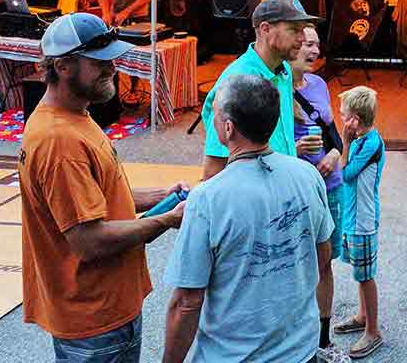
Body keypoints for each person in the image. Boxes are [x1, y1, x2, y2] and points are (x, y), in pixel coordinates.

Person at [19, 13, 186, 362]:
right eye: (100, 62)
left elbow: (96, 199)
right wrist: (166, 220)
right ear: (63, 66)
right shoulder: (59, 142)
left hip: (103, 314)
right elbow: (89, 240)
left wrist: (162, 196)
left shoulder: (74, 116)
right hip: (95, 322)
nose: (113, 67)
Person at [162, 74, 335, 363]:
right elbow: (321, 254)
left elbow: (186, 303)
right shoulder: (308, 176)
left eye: (214, 113)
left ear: (228, 128)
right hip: (301, 352)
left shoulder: (208, 199)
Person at [199, 0, 317, 180]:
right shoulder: (237, 81)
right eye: (294, 30)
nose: (302, 38)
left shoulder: (284, 68)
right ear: (265, 29)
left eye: (304, 30)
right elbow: (213, 170)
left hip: (280, 190)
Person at [290, 25, 346, 358]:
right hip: (298, 189)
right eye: (307, 44)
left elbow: (335, 136)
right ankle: (298, 337)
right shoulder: (278, 90)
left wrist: (334, 155)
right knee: (298, 265)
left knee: (325, 264)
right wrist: (295, 151)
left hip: (331, 185)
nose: (313, 50)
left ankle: (323, 340)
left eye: (316, 44)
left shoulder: (320, 84)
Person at [333, 86, 386, 359]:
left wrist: (344, 143)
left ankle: (373, 330)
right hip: (353, 216)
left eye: (344, 116)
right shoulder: (362, 140)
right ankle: (363, 315)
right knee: (359, 271)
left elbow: (347, 173)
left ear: (356, 119)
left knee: (366, 276)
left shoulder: (370, 143)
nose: (342, 120)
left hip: (363, 220)